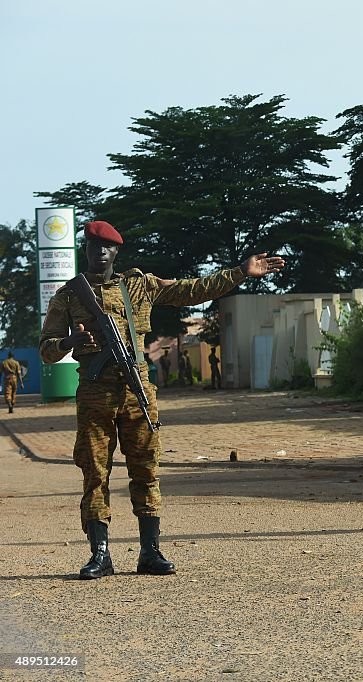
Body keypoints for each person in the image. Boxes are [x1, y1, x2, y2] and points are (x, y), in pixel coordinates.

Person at [39, 220, 284, 579]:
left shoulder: (139, 285)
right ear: (86, 250)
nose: (100, 253)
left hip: (138, 393)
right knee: (95, 473)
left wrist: (240, 273)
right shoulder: (69, 295)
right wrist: (70, 344)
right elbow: (46, 349)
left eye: (106, 247)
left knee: (146, 470)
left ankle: (150, 552)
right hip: (95, 395)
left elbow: (191, 290)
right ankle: (100, 553)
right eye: (93, 247)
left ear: (116, 251)